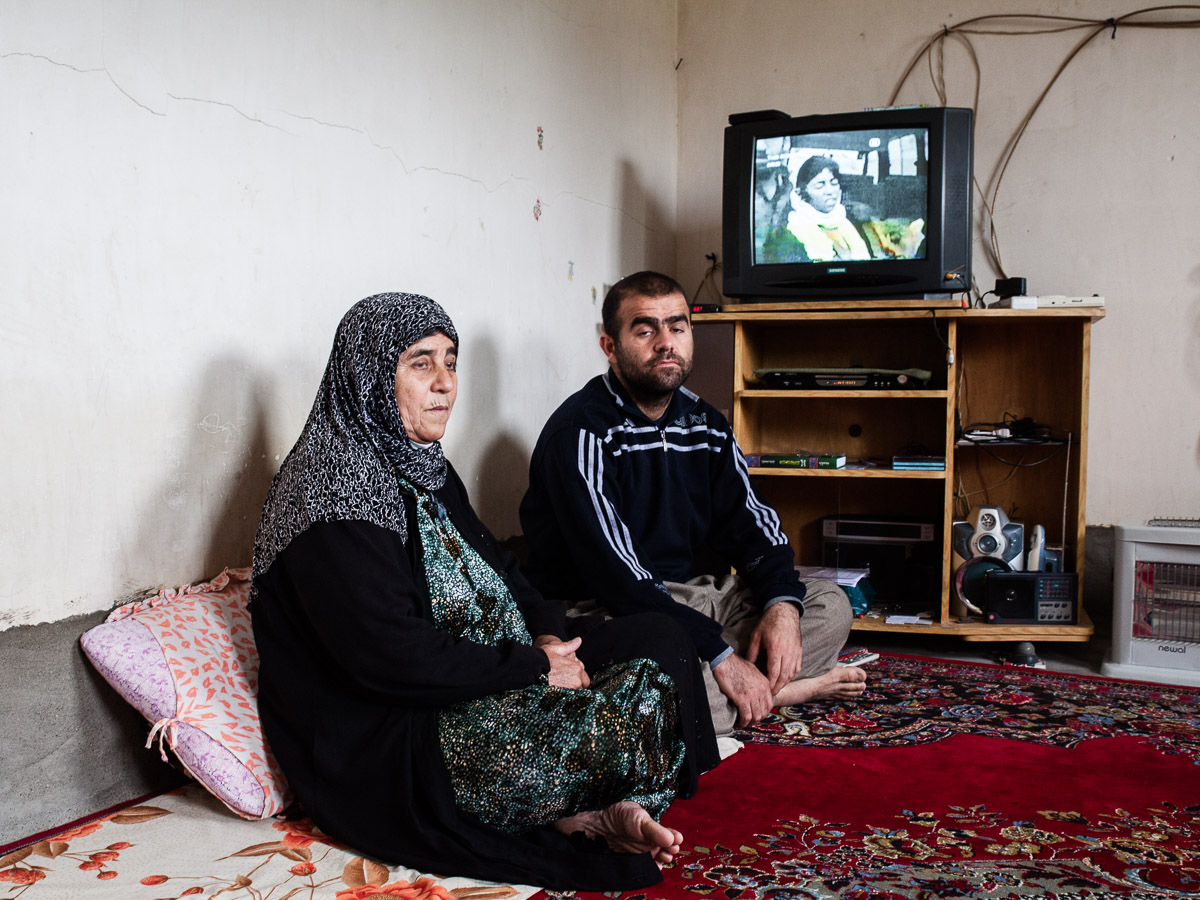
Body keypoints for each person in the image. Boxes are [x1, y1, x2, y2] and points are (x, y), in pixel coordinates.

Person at [249, 292, 718, 892]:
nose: (445, 383)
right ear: (368, 376)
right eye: (421, 364)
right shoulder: (333, 496)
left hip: (488, 669)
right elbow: (388, 658)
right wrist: (531, 667)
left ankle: (593, 806)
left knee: (660, 638)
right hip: (396, 737)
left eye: (451, 362)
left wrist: (549, 636)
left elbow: (506, 570)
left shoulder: (423, 466)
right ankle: (593, 810)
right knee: (609, 723)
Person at [519, 271, 867, 736]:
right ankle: (781, 691)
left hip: (703, 596)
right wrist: (721, 655)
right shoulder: (580, 432)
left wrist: (782, 606)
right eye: (645, 330)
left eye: (677, 327)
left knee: (829, 604)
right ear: (610, 346)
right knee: (659, 698)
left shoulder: (705, 423)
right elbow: (619, 579)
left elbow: (754, 527)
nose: (666, 343)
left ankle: (739, 692)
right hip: (615, 610)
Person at [781, 155, 873, 262]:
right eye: (820, 185)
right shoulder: (794, 230)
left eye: (834, 183)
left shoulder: (846, 221)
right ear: (800, 192)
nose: (830, 191)